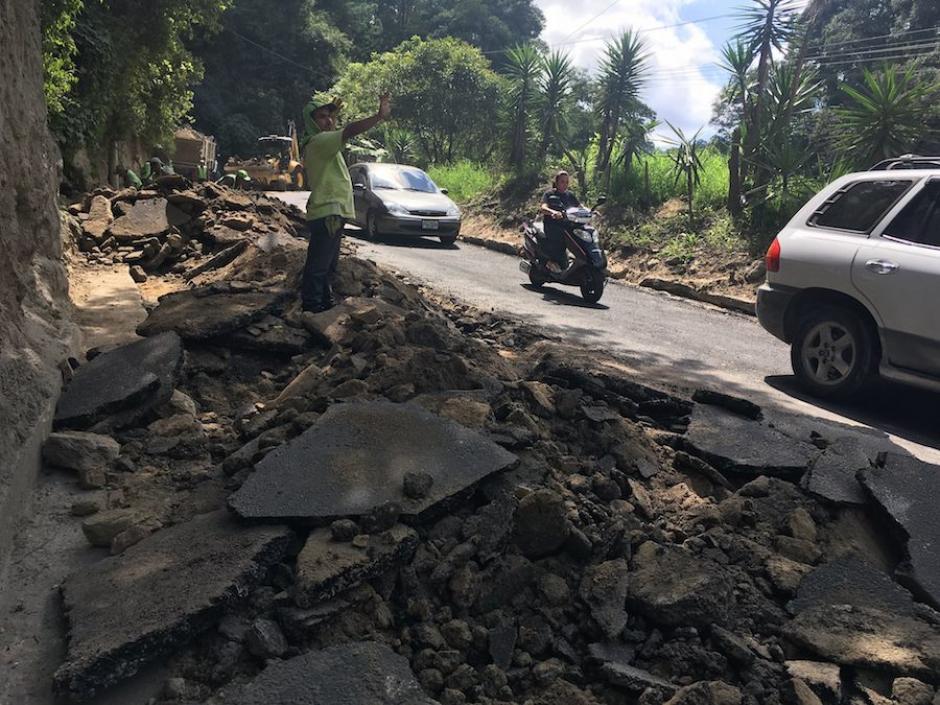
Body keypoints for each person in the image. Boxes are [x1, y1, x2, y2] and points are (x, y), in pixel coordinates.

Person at [300, 92, 392, 313]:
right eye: (321, 117)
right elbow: (349, 130)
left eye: (330, 116)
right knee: (320, 264)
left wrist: (333, 112)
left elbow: (338, 129)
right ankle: (312, 306)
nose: (328, 120)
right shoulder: (318, 141)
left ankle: (323, 303)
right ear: (311, 122)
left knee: (328, 264)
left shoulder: (324, 144)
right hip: (328, 211)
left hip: (333, 212)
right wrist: (378, 116)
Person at [539, 171, 581, 273]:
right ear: (557, 182)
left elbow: (580, 207)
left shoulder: (570, 195)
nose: (565, 184)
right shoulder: (549, 194)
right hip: (552, 226)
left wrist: (590, 212)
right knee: (559, 239)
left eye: (567, 182)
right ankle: (551, 262)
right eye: (562, 181)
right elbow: (543, 207)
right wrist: (553, 212)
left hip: (567, 226)